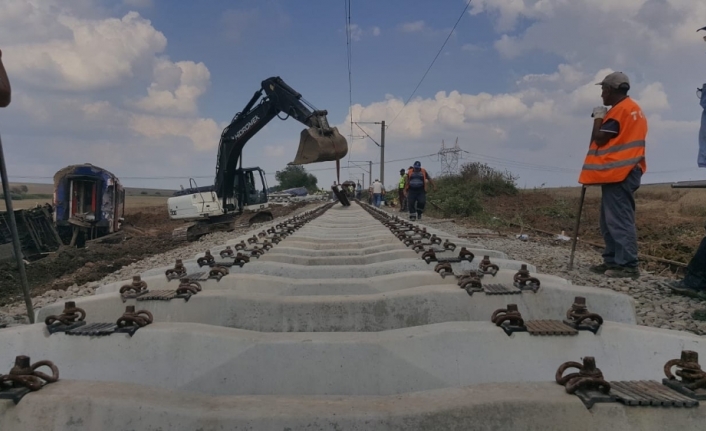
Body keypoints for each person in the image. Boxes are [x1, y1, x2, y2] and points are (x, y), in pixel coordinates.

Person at [579, 72, 647, 279]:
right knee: (609, 220)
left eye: (603, 90)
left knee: (618, 220)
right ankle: (613, 260)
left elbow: (599, 139)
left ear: (609, 90)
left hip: (621, 173)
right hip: (619, 172)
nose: (601, 95)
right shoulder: (632, 109)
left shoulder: (620, 111)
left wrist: (598, 117)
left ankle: (627, 264)